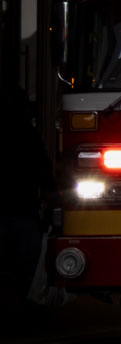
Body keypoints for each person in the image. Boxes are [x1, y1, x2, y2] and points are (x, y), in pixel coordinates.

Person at [0, 88, 52, 303]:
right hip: (23, 209)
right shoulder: (28, 135)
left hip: (7, 209)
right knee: (27, 264)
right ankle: (27, 303)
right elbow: (43, 171)